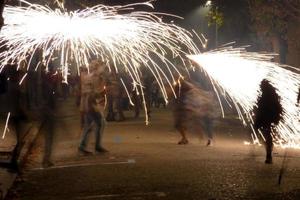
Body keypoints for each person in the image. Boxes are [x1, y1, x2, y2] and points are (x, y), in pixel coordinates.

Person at [172, 78, 215, 145]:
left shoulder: (189, 86)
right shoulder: (181, 85)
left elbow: (195, 93)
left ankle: (208, 138)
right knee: (181, 124)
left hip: (196, 107)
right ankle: (188, 137)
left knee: (205, 123)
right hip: (188, 107)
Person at [78, 60, 108, 154]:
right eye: (100, 67)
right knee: (100, 123)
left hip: (87, 104)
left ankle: (82, 146)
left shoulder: (89, 77)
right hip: (90, 104)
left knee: (89, 125)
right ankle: (96, 146)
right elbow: (92, 94)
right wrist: (102, 93)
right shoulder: (94, 78)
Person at [253, 79, 283, 164]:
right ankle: (268, 153)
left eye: (261, 85)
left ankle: (269, 155)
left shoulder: (268, 96)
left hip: (266, 118)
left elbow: (263, 107)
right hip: (267, 118)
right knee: (266, 136)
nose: (260, 87)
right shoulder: (270, 95)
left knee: (267, 136)